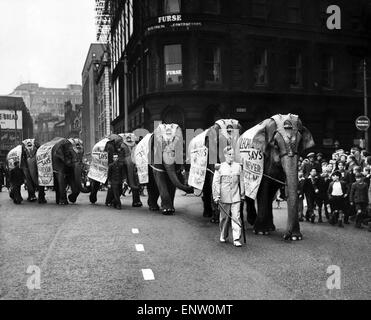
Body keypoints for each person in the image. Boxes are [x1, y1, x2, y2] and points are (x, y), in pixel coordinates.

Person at [212, 146, 245, 247]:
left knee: (236, 217)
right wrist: (216, 196)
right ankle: (223, 234)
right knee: (224, 218)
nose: (232, 156)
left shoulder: (238, 167)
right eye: (229, 154)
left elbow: (241, 182)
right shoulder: (219, 167)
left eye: (233, 154)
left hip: (236, 197)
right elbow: (216, 182)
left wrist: (242, 195)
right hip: (223, 197)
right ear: (225, 155)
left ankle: (236, 238)